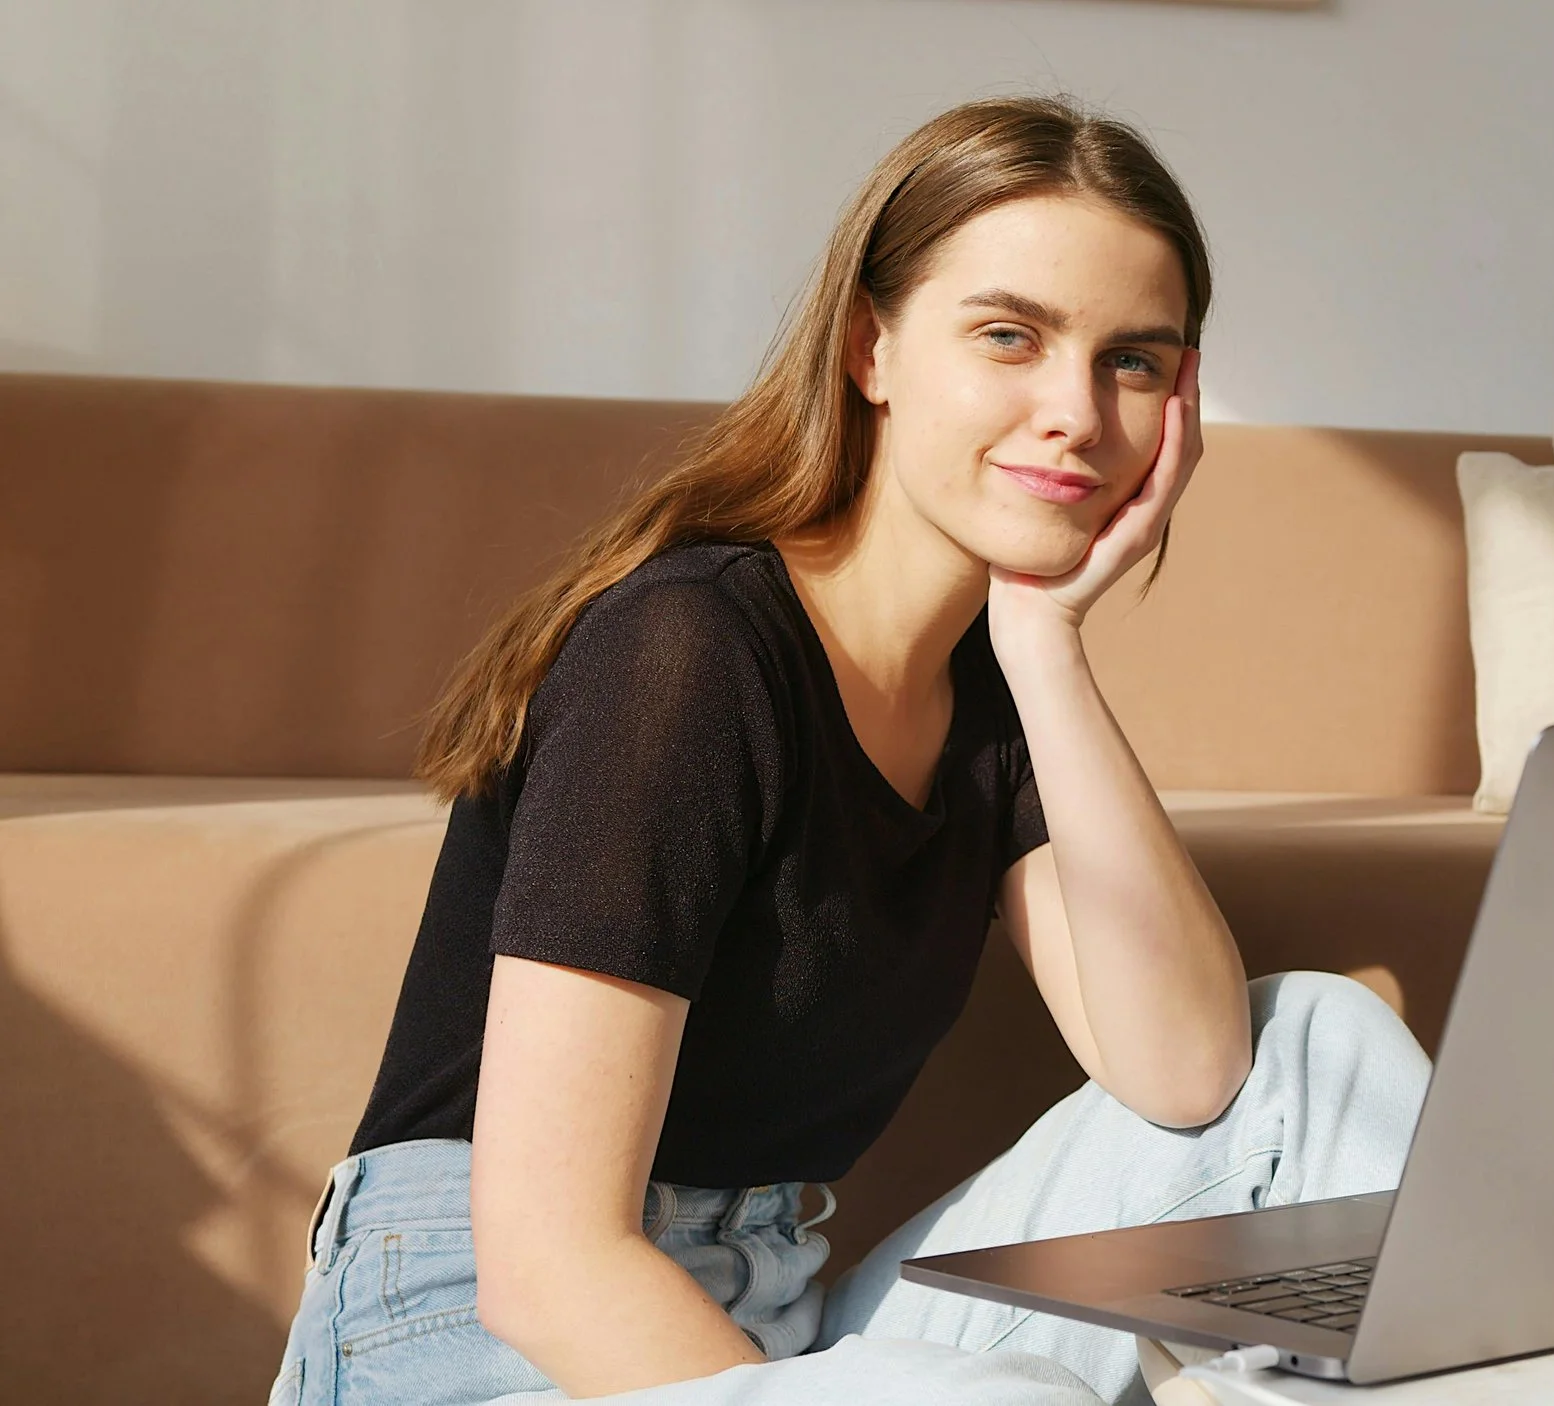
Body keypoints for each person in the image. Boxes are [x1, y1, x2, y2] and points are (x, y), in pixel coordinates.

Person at [268, 96, 1431, 1406]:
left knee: (1316, 1048)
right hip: (477, 1343)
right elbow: (544, 1263)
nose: (1077, 412)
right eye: (1011, 335)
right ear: (872, 347)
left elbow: (1193, 1078)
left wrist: (1047, 643)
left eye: (1134, 362)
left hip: (769, 1319)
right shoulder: (689, 652)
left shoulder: (992, 684)